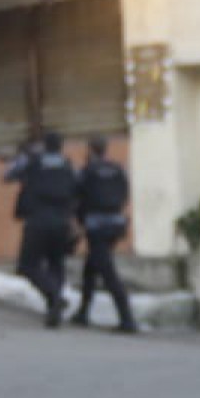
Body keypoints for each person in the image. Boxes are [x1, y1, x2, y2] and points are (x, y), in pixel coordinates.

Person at [73, 135, 139, 333]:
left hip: (96, 225)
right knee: (90, 268)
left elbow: (77, 195)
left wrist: (79, 219)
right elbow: (125, 193)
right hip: (115, 224)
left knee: (108, 273)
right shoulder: (119, 169)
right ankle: (83, 313)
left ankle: (127, 320)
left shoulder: (86, 171)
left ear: (91, 149)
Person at [16, 132, 77, 328]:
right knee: (56, 264)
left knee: (27, 265)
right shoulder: (68, 166)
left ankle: (54, 297)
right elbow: (77, 190)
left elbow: (8, 175)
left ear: (45, 145)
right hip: (62, 222)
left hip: (37, 221)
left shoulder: (33, 162)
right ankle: (54, 307)